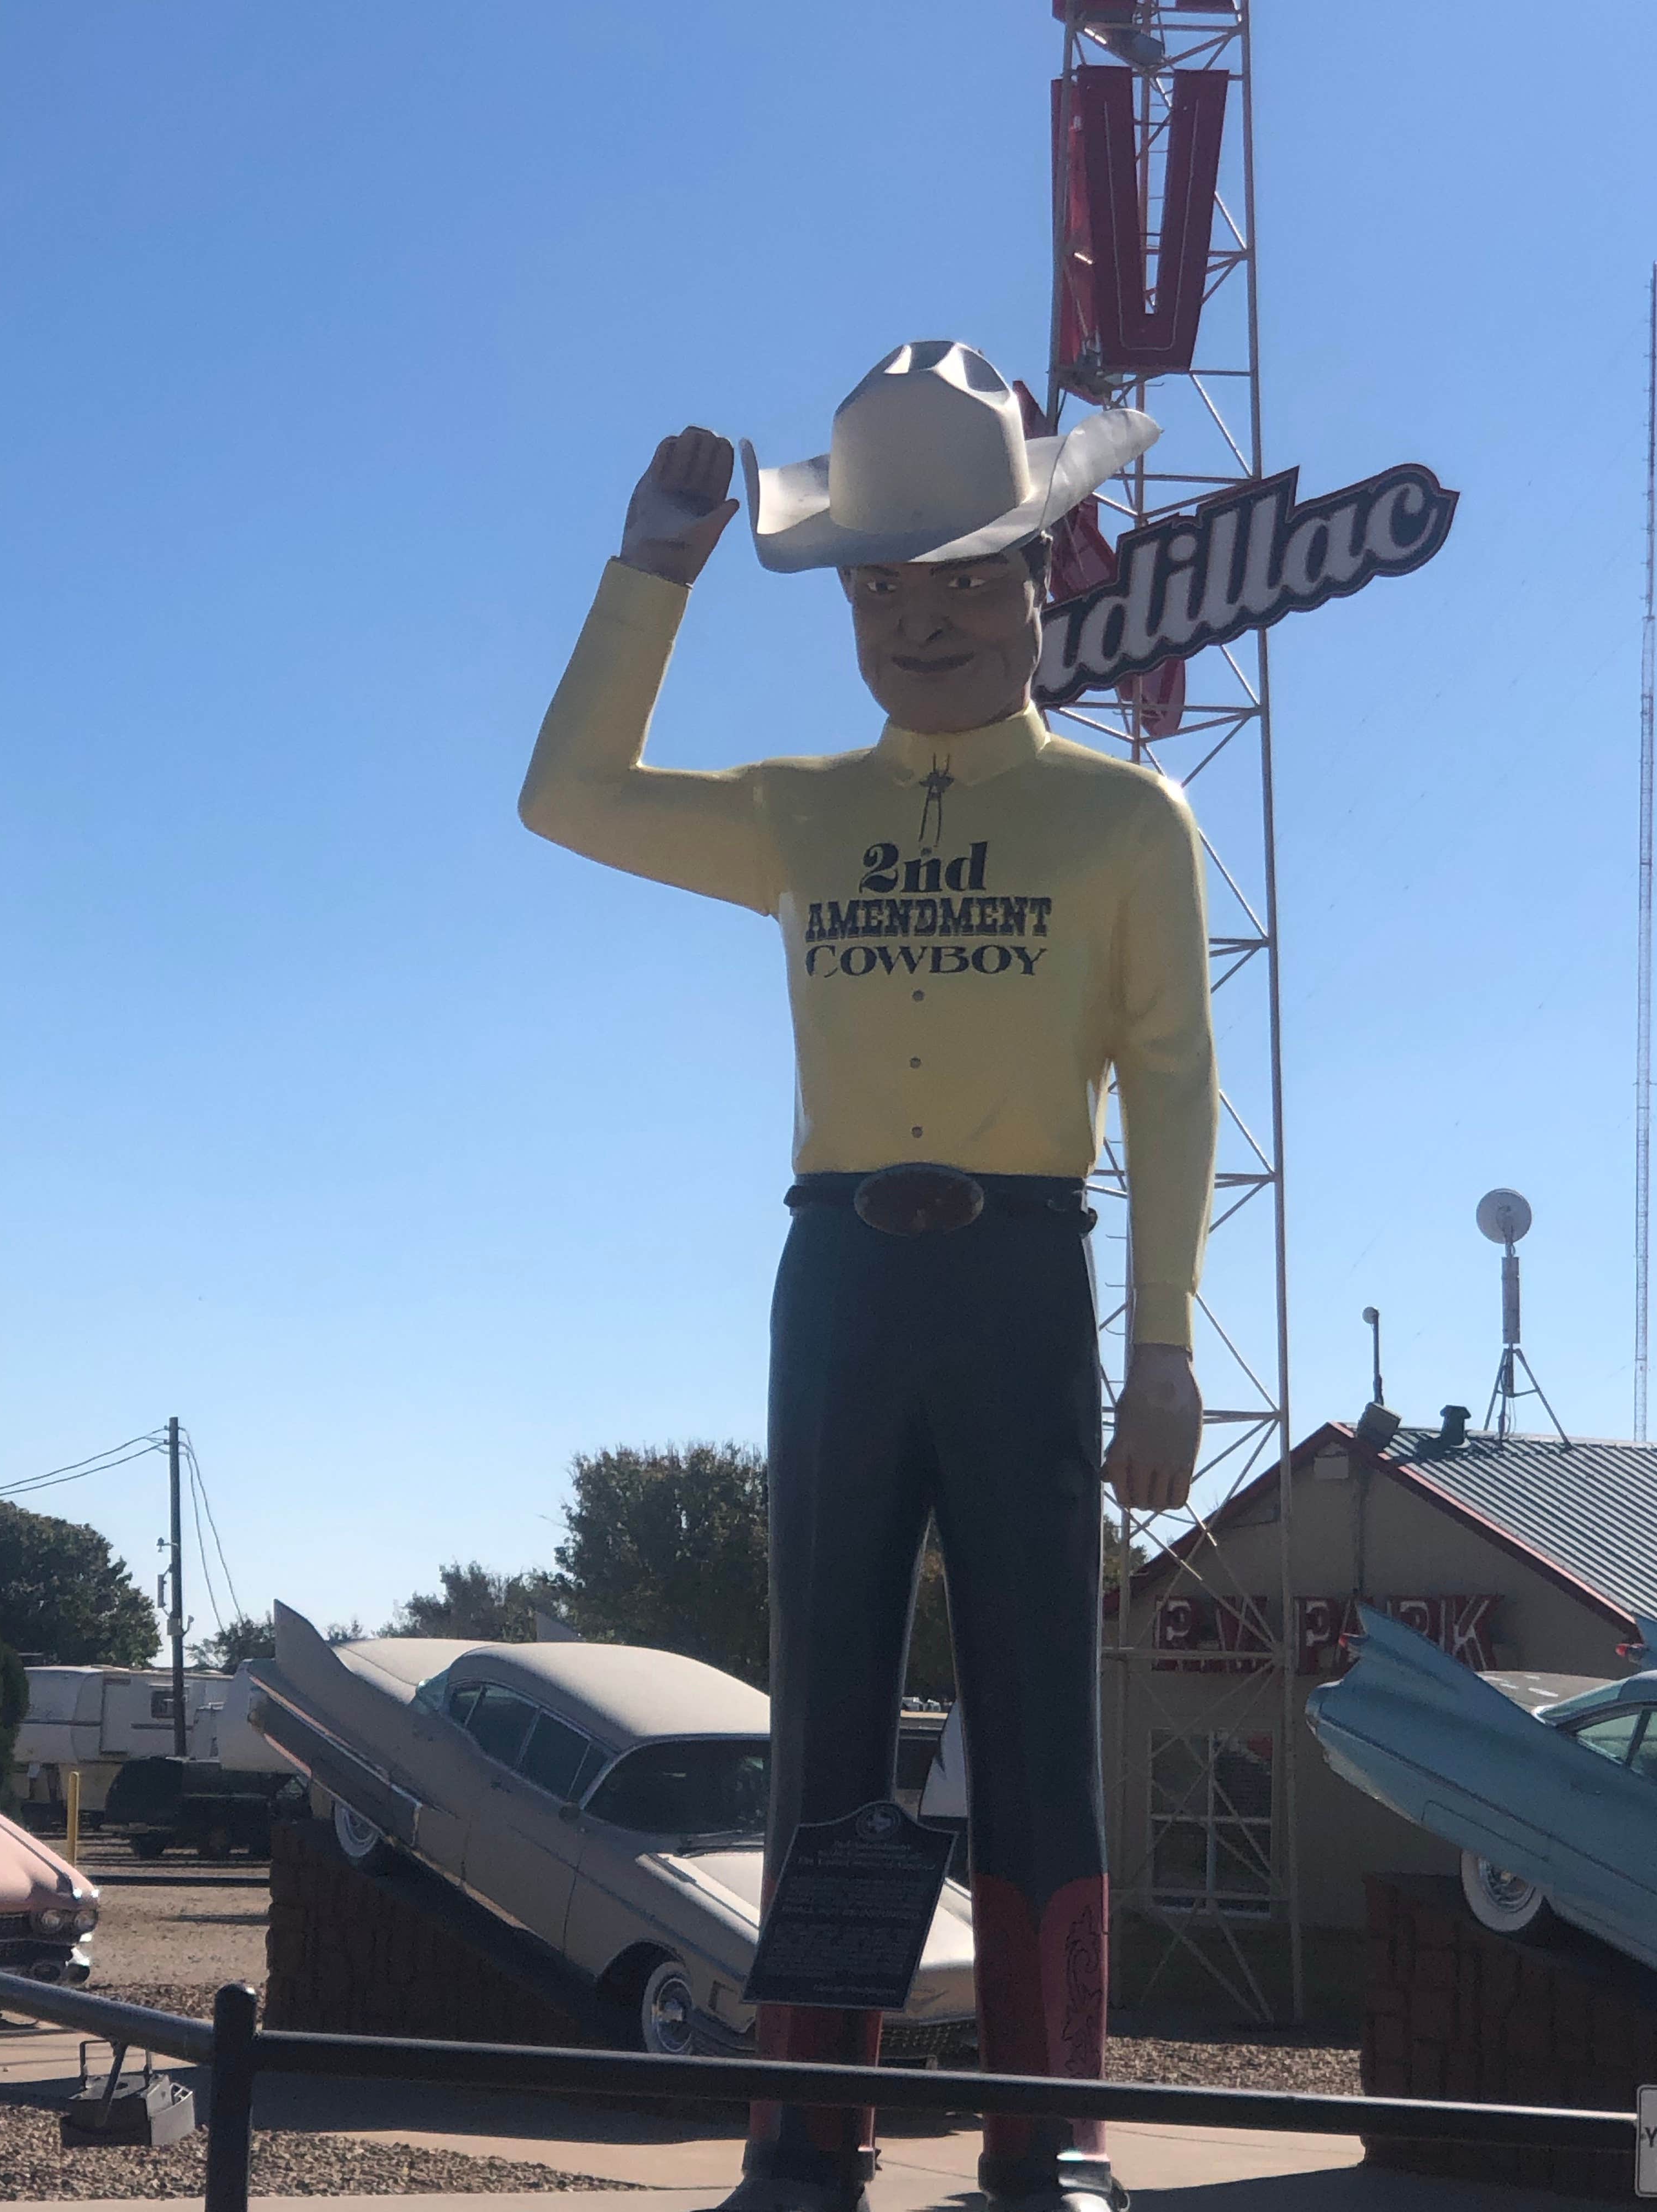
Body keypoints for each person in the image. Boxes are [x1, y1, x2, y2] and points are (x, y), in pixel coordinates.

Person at [520, 341, 1218, 2212]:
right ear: (844, 601)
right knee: (825, 1707)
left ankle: (1048, 2126)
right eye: (886, 583)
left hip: (1023, 1283)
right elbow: (569, 797)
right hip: (837, 1276)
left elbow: (1169, 1089)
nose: (928, 619)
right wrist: (649, 572)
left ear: (1041, 582)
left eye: (970, 575)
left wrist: (1162, 1351)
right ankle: (806, 2120)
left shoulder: (1129, 822)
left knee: (1038, 1713)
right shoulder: (800, 812)